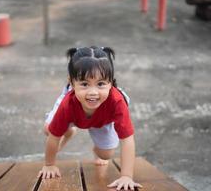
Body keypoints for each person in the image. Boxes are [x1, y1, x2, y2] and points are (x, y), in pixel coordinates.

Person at [38, 46, 142, 190]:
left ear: (111, 82)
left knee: (106, 155)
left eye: (100, 84)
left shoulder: (117, 102)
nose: (93, 92)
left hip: (103, 119)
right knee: (49, 129)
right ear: (72, 83)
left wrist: (126, 176)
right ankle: (68, 130)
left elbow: (127, 139)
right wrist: (49, 165)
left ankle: (97, 150)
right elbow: (54, 137)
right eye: (84, 84)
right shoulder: (68, 103)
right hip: (74, 115)